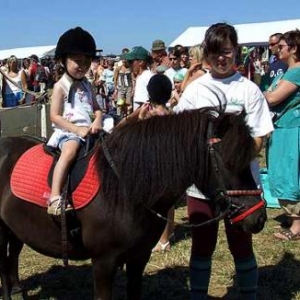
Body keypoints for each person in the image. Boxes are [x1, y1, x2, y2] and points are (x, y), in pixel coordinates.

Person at [174, 23, 273, 299]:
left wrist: (230, 162)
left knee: (241, 245)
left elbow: (258, 138)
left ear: (236, 52)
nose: (221, 58)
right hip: (201, 187)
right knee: (202, 246)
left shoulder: (249, 90)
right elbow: (182, 136)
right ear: (207, 53)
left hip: (241, 187)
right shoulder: (196, 91)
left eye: (227, 51)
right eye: (215, 52)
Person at [46, 27, 103, 215]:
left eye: (87, 62)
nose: (82, 66)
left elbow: (96, 108)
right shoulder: (60, 86)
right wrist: (76, 130)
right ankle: (54, 197)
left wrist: (98, 121)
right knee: (70, 150)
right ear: (63, 60)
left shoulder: (87, 84)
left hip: (89, 129)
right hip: (69, 131)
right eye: (77, 61)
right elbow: (54, 116)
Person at [264, 29, 300, 241]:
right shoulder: (289, 71)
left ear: (293, 48)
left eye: (281, 47)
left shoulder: (296, 72)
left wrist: (252, 94)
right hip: (283, 128)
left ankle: (297, 225)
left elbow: (274, 98)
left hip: (291, 130)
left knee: (291, 174)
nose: (277, 50)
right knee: (284, 172)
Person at [124, 46, 152, 110]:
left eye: (130, 62)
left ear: (141, 62)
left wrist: (127, 119)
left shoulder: (144, 78)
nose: (129, 65)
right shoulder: (144, 76)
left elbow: (143, 106)